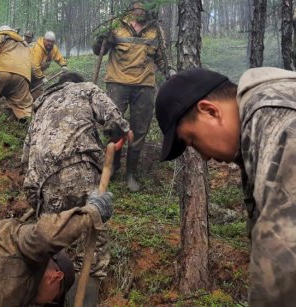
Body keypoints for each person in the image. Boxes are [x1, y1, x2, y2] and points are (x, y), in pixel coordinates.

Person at [155, 67, 296, 306]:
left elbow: (284, 253)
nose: (204, 157)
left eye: (193, 141)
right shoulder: (259, 123)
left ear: (210, 111)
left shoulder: (277, 119)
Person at [22, 72, 131, 306]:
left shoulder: (41, 105)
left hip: (39, 182)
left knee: (50, 245)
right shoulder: (86, 89)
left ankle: (45, 297)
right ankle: (82, 299)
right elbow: (114, 119)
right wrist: (123, 132)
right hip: (77, 170)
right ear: (76, 82)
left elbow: (26, 157)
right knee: (92, 240)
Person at [92, 1, 171, 192]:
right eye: (139, 3)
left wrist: (171, 74)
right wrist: (100, 39)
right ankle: (112, 167)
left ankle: (131, 173)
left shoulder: (156, 30)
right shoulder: (117, 25)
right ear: (132, 5)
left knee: (140, 130)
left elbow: (161, 59)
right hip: (117, 84)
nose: (142, 7)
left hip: (144, 86)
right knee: (114, 127)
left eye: (146, 4)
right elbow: (97, 50)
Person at [30, 31, 68, 100]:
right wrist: (41, 77)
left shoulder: (53, 48)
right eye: (48, 41)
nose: (50, 43)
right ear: (44, 39)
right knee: (23, 91)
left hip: (38, 74)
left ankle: (34, 106)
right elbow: (35, 66)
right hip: (27, 72)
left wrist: (63, 65)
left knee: (38, 94)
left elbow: (59, 57)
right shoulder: (38, 49)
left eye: (52, 42)